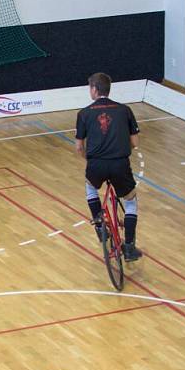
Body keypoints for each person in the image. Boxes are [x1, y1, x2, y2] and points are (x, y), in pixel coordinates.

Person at [75, 73, 142, 262]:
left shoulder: (84, 113)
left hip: (96, 164)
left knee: (90, 187)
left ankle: (98, 222)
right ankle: (129, 247)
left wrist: (90, 160)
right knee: (130, 202)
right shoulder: (125, 110)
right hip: (120, 163)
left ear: (95, 89)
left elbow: (79, 146)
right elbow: (135, 142)